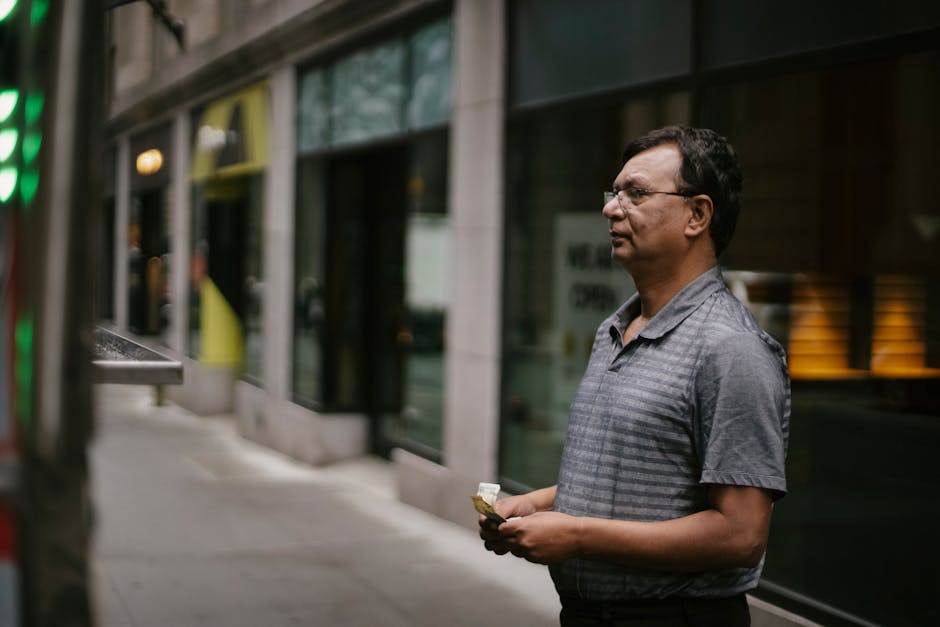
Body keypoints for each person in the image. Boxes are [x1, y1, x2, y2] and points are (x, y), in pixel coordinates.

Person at [480, 125, 789, 626]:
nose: (611, 207)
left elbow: (741, 536)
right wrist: (534, 506)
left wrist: (578, 535)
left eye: (637, 193)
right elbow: (634, 475)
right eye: (615, 192)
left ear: (697, 215)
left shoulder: (731, 348)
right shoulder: (614, 328)